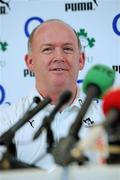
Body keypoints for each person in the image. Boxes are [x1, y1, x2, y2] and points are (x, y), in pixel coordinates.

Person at [0, 19, 103, 170]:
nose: (59, 57)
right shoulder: (5, 120)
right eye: (48, 49)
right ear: (30, 62)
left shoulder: (106, 119)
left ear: (81, 60)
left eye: (67, 49)